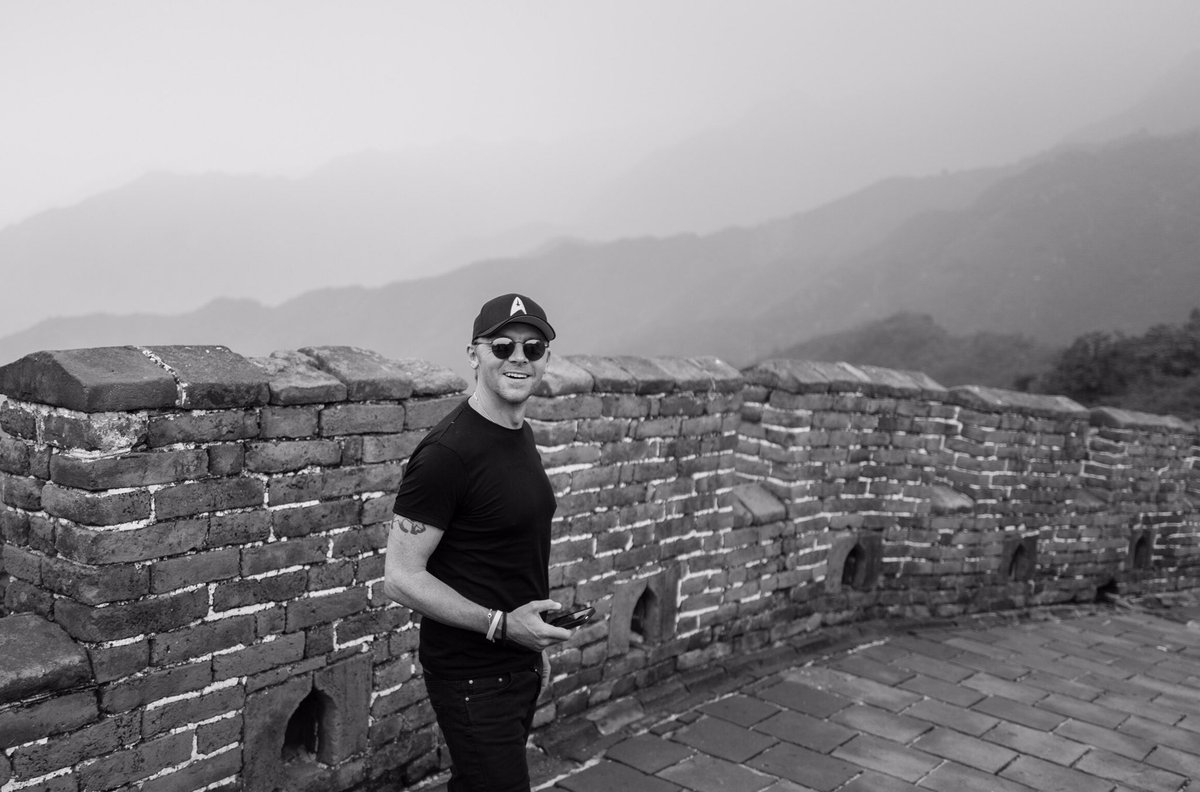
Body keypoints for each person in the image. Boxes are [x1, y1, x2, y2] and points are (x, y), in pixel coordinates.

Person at [384, 293, 574, 792]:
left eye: (533, 348)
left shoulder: (518, 432)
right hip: (472, 676)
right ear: (474, 354)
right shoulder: (446, 454)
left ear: (546, 359)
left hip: (517, 662)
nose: (519, 358)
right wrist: (503, 626)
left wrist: (530, 648)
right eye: (502, 346)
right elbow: (400, 578)